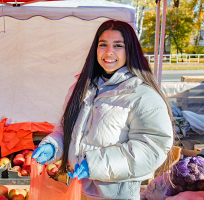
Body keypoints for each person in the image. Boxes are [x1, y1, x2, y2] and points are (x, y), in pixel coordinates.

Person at [32, 20, 174, 200]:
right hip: (77, 190)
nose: (109, 52)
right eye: (103, 45)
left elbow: (152, 148)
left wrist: (94, 164)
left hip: (117, 195)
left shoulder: (143, 95)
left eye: (118, 45)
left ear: (129, 50)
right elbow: (65, 128)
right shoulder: (81, 88)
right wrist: (53, 145)